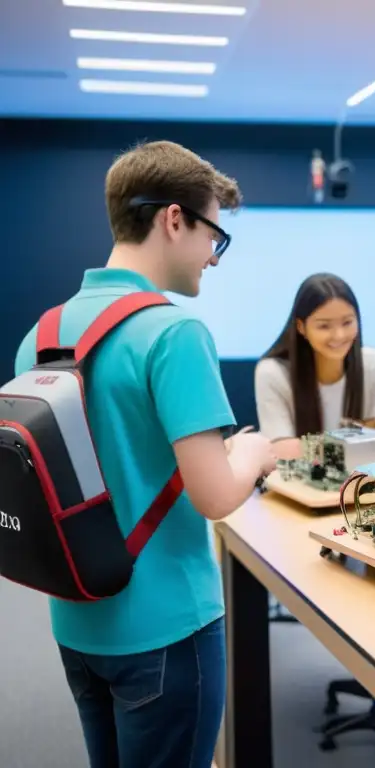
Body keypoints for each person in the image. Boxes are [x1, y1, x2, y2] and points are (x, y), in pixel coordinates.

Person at [12, 140, 278, 768]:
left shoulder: (40, 333)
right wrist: (256, 452)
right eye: (214, 233)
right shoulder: (174, 332)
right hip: (168, 627)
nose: (214, 257)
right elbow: (214, 495)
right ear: (174, 219)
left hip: (77, 620)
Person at [255, 273, 375, 458]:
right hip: (296, 483)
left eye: (347, 322)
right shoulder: (272, 372)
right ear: (301, 327)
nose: (339, 335)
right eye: (324, 326)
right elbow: (282, 451)